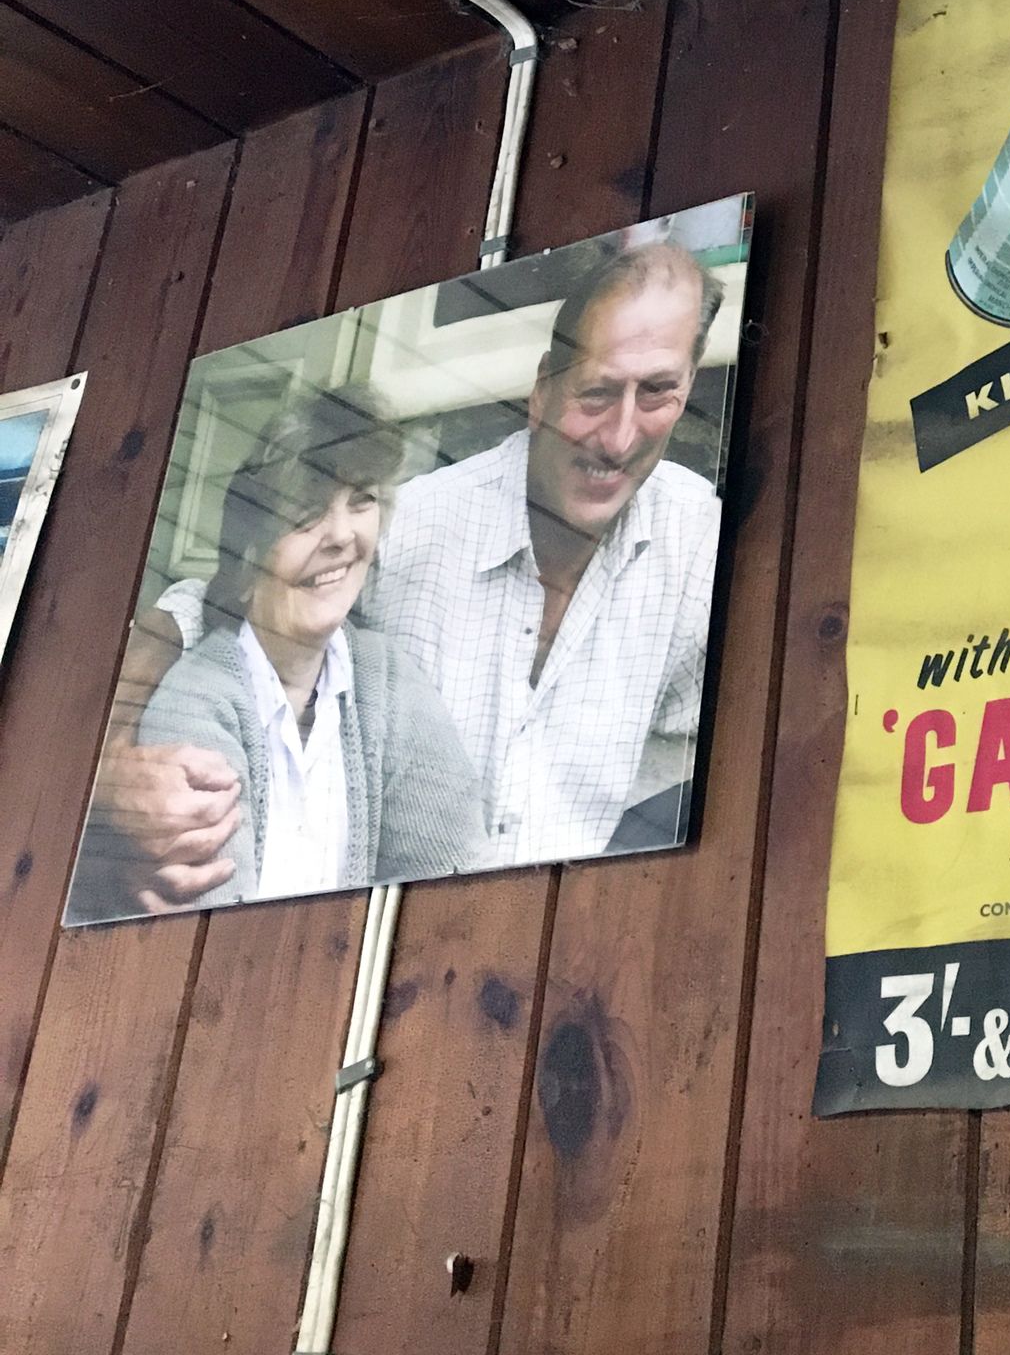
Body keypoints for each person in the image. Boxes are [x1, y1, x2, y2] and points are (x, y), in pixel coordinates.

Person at [82, 238, 724, 912]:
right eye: (595, 393)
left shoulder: (698, 543)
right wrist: (104, 776)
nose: (620, 438)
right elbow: (215, 605)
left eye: (657, 391)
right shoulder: (418, 523)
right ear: (542, 390)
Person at [80, 389, 485, 915]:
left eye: (362, 499)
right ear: (251, 550)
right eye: (307, 514)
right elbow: (216, 931)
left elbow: (459, 892)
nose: (341, 534)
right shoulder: (197, 698)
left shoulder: (390, 678)